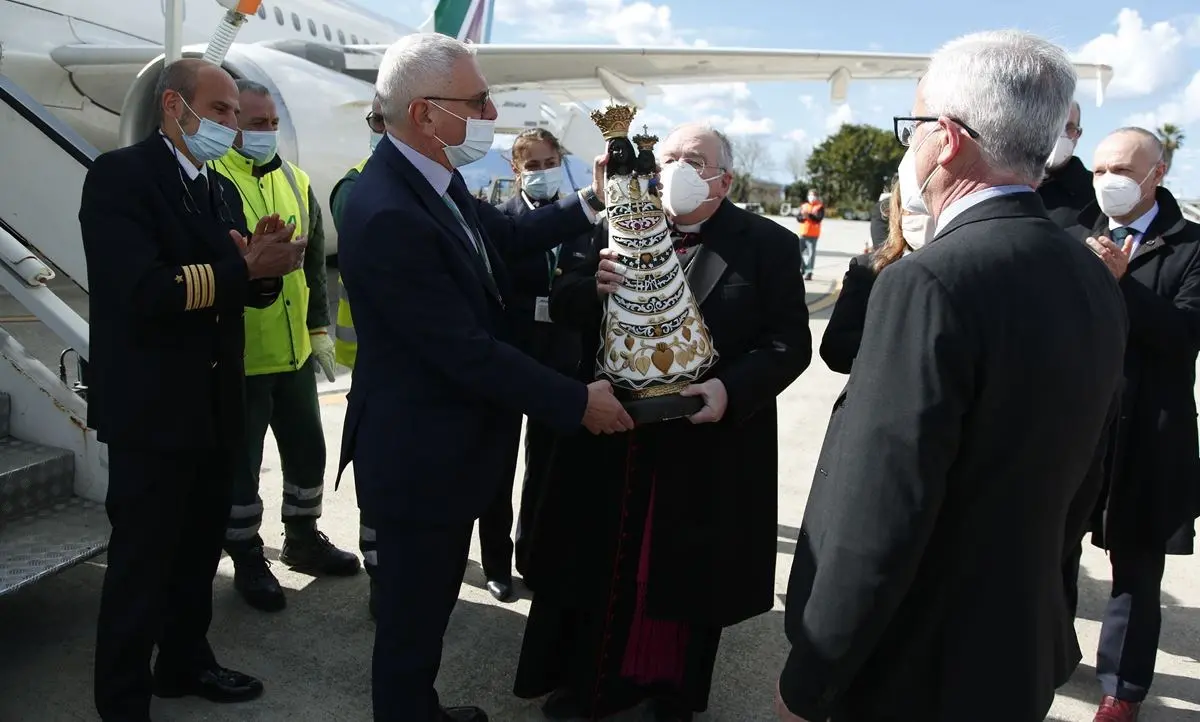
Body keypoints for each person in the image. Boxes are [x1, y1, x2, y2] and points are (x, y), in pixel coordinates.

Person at [776, 30, 1128, 722]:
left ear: (946, 138)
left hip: (912, 667)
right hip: (1013, 650)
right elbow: (1084, 481)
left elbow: (880, 509)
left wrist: (812, 678)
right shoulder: (1092, 276)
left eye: (913, 128)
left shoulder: (930, 280)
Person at [335, 33, 632, 722]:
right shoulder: (387, 213)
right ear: (425, 114)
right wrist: (574, 401)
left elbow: (503, 235)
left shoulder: (432, 180)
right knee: (411, 626)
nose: (492, 110)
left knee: (428, 612)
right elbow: (463, 350)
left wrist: (587, 203)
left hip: (446, 448)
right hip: (418, 457)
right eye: (477, 100)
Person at [514, 122, 812, 722]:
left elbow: (789, 344)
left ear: (723, 181)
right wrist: (590, 288)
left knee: (678, 576)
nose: (675, 167)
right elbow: (564, 298)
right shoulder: (614, 224)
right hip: (609, 435)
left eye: (694, 160)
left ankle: (666, 691)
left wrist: (731, 388)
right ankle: (582, 682)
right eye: (669, 155)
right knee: (589, 566)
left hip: (702, 445)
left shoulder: (768, 246)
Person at [81, 58, 305, 722]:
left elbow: (239, 294)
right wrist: (242, 268)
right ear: (174, 106)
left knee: (198, 551)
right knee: (141, 565)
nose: (232, 126)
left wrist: (263, 266)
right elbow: (144, 291)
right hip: (152, 412)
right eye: (222, 111)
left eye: (237, 113)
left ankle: (184, 663)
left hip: (212, 406)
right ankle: (123, 702)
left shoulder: (215, 188)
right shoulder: (121, 177)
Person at [213, 79, 359, 614]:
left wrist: (319, 330)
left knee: (307, 453)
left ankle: (302, 537)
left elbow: (316, 267)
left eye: (273, 123)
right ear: (231, 126)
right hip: (244, 358)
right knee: (242, 467)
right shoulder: (213, 182)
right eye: (256, 124)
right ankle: (247, 552)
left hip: (294, 353)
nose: (268, 133)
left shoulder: (297, 181)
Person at [1075, 127, 1200, 722]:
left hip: (1150, 431)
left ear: (1158, 173)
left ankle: (1120, 690)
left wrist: (1125, 283)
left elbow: (1183, 337)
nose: (1107, 183)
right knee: (1048, 550)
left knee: (1136, 568)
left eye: (1121, 170)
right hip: (1077, 427)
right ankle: (1047, 655)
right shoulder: (1078, 236)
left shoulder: (1191, 247)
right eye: (1099, 170)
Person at [476, 128, 590, 603]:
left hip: (561, 359)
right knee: (498, 470)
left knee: (546, 468)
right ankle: (497, 564)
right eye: (533, 165)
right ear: (515, 169)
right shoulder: (501, 222)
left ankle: (534, 557)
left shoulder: (583, 223)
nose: (542, 172)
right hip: (511, 358)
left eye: (549, 163)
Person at [329, 96, 386, 617]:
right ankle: (378, 573)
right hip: (373, 364)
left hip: (411, 369)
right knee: (376, 478)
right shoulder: (356, 185)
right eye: (376, 122)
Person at [819, 178, 934, 373]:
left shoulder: (965, 268)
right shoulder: (867, 270)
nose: (920, 216)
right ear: (896, 214)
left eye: (927, 208)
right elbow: (836, 351)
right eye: (911, 208)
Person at [1038, 100, 1094, 238]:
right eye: (1052, 124)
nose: (1060, 135)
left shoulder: (1096, 191)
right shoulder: (1002, 184)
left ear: (1078, 134)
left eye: (1069, 128)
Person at [797, 189, 824, 280]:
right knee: (797, 251)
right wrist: (803, 217)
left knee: (811, 254)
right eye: (810, 195)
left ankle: (809, 272)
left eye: (814, 195)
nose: (812, 197)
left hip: (813, 234)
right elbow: (798, 218)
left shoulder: (819, 207)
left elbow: (819, 218)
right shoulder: (804, 206)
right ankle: (803, 267)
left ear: (817, 196)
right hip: (803, 233)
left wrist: (809, 216)